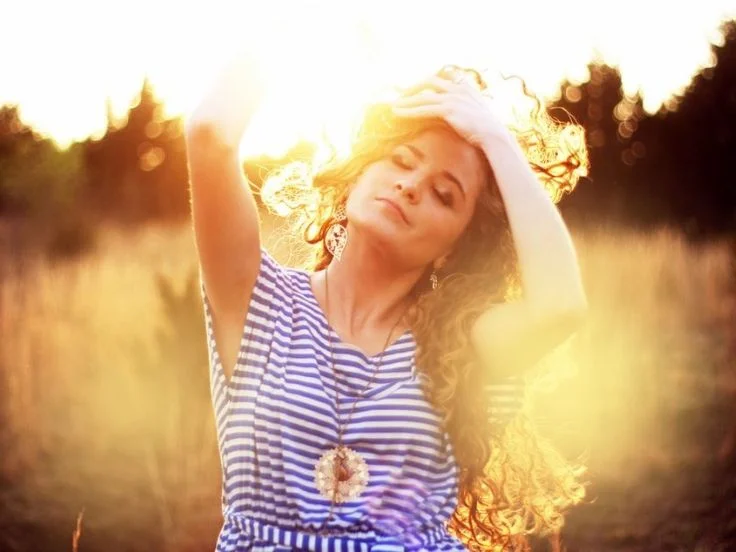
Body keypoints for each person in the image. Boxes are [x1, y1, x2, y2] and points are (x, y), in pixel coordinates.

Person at [186, 46, 589, 552]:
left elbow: (561, 307)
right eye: (402, 160)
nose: (412, 185)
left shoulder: (462, 345)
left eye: (445, 194)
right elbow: (209, 134)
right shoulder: (259, 301)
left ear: (453, 249)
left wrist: (494, 136)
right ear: (358, 173)